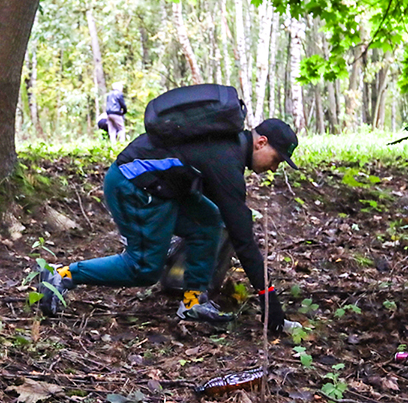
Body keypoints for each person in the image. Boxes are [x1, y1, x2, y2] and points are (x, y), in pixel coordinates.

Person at [38, 118, 299, 333]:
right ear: (261, 142)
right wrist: (270, 302)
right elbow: (244, 241)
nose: (274, 168)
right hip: (133, 185)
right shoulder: (227, 161)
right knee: (142, 269)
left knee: (209, 221)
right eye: (276, 160)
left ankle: (192, 300)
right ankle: (63, 275)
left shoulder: (228, 148)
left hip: (162, 187)